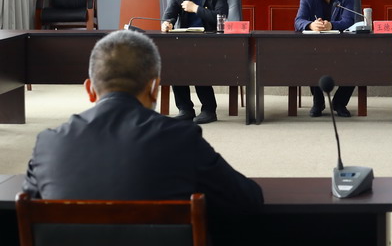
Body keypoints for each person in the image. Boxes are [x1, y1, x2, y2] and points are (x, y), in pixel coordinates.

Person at [22, 30, 263, 218]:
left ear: (90, 90)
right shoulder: (181, 139)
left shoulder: (48, 143)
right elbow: (248, 200)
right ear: (154, 88)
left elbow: (26, 211)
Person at [161, 0, 228, 124]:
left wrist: (196, 9)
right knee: (174, 64)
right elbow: (168, 16)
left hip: (210, 41)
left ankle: (209, 110)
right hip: (185, 41)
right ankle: (185, 109)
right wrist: (167, 23)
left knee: (198, 63)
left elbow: (221, 18)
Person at [294, 0, 357, 118]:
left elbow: (349, 20)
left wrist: (331, 25)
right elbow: (298, 21)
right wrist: (311, 25)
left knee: (358, 60)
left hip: (342, 45)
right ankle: (318, 102)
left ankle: (339, 103)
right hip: (316, 46)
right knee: (310, 59)